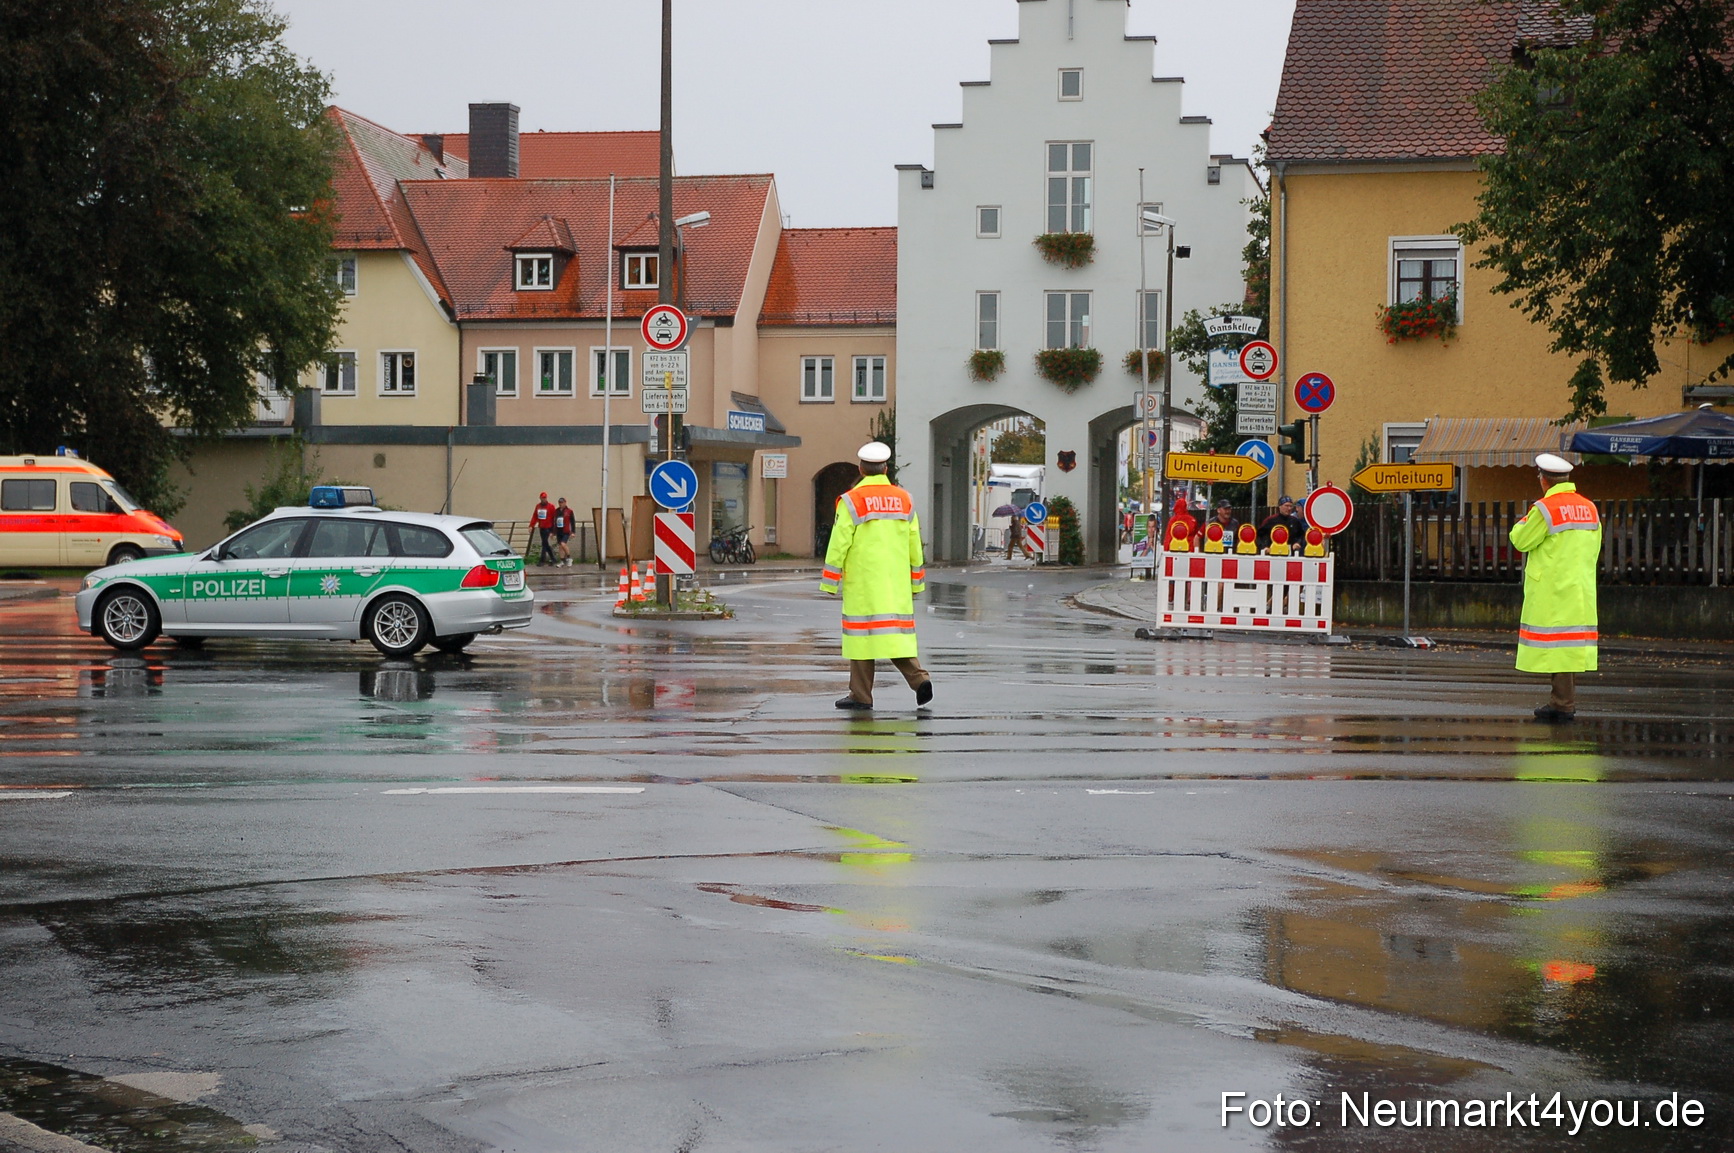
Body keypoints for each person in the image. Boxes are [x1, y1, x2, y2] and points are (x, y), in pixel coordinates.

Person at [819, 441, 933, 711]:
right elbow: (914, 544)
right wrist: (916, 582)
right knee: (894, 635)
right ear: (885, 468)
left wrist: (829, 581)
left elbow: (839, 542)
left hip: (864, 583)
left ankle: (861, 695)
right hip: (896, 583)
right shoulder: (905, 499)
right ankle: (918, 679)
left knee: (862, 639)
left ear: (861, 468)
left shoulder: (851, 500)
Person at [1509, 453, 1601, 721]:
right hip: (1580, 587)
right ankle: (1561, 702)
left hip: (1553, 587)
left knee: (1559, 645)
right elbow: (1595, 547)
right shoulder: (1589, 507)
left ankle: (1563, 705)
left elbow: (1520, 540)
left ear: (1544, 480)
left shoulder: (1545, 508)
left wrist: (1524, 520)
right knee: (1568, 646)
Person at [529, 492, 556, 565]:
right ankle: (553, 558)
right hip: (541, 527)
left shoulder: (551, 506)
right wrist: (531, 525)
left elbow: (554, 518)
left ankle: (542, 560)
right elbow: (535, 516)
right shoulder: (538, 506)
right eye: (542, 498)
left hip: (549, 527)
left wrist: (553, 531)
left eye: (545, 498)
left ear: (546, 498)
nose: (544, 499)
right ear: (540, 498)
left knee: (544, 543)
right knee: (545, 543)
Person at [551, 497, 576, 566]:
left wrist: (573, 532)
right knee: (560, 546)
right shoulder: (556, 511)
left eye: (562, 502)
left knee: (563, 544)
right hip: (559, 530)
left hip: (566, 530)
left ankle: (569, 557)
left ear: (565, 503)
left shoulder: (569, 511)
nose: (561, 504)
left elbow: (572, 522)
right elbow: (555, 522)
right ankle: (562, 560)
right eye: (560, 503)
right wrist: (553, 532)